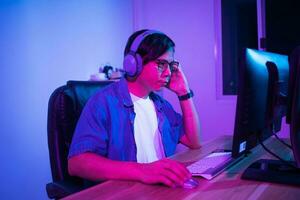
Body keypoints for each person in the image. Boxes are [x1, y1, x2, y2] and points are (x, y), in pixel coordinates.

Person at [68, 29, 201, 188]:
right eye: (161, 64)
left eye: (170, 66)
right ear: (133, 64)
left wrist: (184, 93)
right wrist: (143, 171)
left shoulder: (161, 105)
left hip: (160, 191)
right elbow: (77, 163)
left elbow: (193, 141)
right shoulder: (103, 103)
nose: (168, 73)